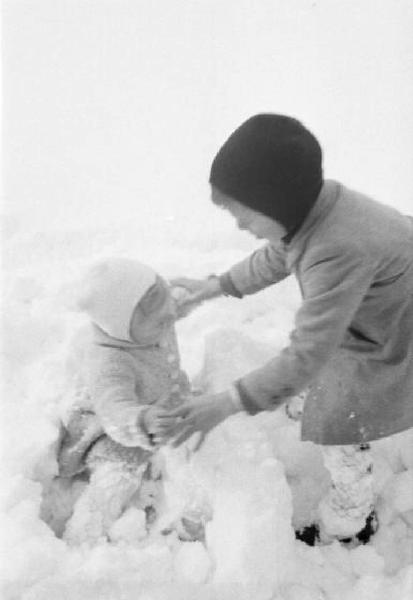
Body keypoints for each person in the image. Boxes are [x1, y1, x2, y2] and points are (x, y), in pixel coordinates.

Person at [165, 113, 413, 545]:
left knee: (340, 425)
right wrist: (216, 285)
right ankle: (313, 398)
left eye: (246, 215)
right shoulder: (316, 209)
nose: (241, 226)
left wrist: (226, 403)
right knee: (320, 371)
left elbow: (308, 354)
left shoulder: (338, 249)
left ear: (280, 205)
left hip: (388, 337)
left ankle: (349, 520)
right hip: (370, 312)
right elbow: (280, 254)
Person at [57, 258, 209, 545]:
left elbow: (172, 302)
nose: (169, 318)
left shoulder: (151, 313)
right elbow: (115, 408)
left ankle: (193, 509)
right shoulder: (110, 361)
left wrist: (204, 290)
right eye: (162, 320)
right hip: (114, 426)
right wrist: (141, 420)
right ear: (122, 327)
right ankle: (83, 533)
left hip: (162, 407)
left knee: (194, 450)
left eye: (169, 309)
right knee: (120, 471)